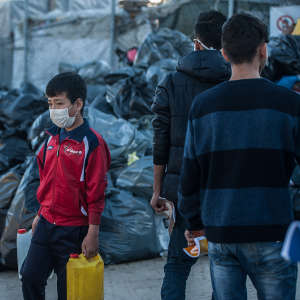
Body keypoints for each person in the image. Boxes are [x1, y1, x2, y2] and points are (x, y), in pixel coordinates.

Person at [178, 13, 300, 300]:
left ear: (223, 54)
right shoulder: (289, 104)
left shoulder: (203, 106)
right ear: (263, 50)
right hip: (274, 232)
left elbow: (190, 173)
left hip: (221, 232)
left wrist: (194, 223)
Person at [151, 10, 230, 300]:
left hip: (184, 188)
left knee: (177, 263)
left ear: (195, 43)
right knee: (224, 265)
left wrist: (158, 190)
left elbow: (160, 141)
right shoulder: (234, 79)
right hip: (224, 188)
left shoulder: (172, 82)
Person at [21, 72, 111, 300]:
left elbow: (96, 191)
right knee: (30, 277)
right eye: (50, 104)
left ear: (77, 104)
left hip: (73, 230)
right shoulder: (50, 139)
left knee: (68, 291)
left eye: (59, 103)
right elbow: (46, 180)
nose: (53, 110)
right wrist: (40, 212)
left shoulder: (92, 143)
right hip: (45, 223)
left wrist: (93, 232)